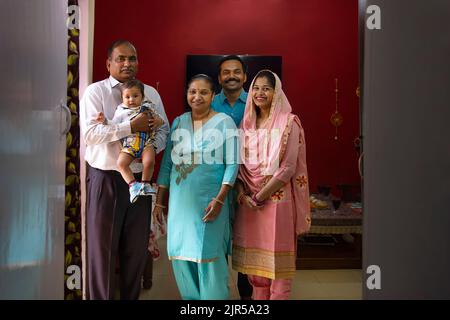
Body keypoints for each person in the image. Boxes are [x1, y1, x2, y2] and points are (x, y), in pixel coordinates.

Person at [80, 39, 169, 300]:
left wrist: (149, 144)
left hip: (140, 179)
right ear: (109, 63)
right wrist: (131, 127)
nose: (127, 63)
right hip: (106, 178)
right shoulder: (95, 93)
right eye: (121, 58)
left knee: (135, 248)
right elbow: (91, 135)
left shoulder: (150, 93)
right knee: (102, 250)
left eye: (132, 58)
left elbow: (164, 130)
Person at [153, 74, 239, 300]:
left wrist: (220, 199)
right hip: (180, 205)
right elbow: (167, 165)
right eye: (192, 92)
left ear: (213, 95)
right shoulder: (179, 122)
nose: (197, 97)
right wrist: (160, 201)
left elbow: (232, 164)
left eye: (203, 92)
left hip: (210, 204)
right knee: (182, 259)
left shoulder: (224, 122)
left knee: (210, 260)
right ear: (187, 94)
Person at [232, 70, 311, 300]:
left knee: (279, 272)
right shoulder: (246, 125)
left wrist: (259, 196)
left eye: (266, 88)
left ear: (276, 92)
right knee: (257, 275)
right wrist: (242, 194)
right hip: (249, 205)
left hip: (275, 202)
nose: (259, 93)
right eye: (256, 88)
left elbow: (287, 168)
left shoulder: (289, 122)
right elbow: (237, 167)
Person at [211, 55, 253, 300]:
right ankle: (217, 292)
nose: (231, 76)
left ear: (245, 76)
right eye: (226, 72)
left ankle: (246, 295)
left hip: (249, 182)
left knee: (246, 240)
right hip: (217, 181)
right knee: (218, 239)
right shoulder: (209, 102)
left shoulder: (256, 102)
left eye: (236, 72)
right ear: (219, 78)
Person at [94, 79, 161, 203]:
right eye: (127, 97)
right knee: (121, 163)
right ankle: (133, 185)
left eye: (135, 96)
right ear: (122, 98)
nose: (131, 100)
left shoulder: (148, 107)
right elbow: (113, 124)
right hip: (130, 144)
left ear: (142, 96)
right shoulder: (121, 111)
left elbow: (160, 121)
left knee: (149, 161)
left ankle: (145, 183)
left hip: (147, 142)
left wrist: (158, 121)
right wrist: (104, 120)